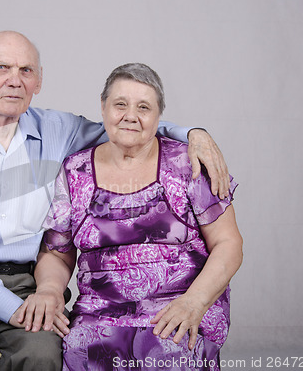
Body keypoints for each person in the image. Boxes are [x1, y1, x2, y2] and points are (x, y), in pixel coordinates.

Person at [0, 30, 231, 371]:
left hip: (27, 284)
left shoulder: (59, 130)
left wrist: (193, 133)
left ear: (38, 81)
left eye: (26, 71)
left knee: (42, 357)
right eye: (2, 68)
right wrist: (7, 306)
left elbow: (129, 124)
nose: (14, 81)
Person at [21, 63, 243, 370]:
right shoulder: (74, 171)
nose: (131, 116)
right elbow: (57, 253)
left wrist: (195, 303)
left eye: (144, 107)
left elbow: (229, 244)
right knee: (79, 352)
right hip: (100, 312)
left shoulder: (188, 165)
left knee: (168, 355)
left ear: (158, 115)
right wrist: (48, 289)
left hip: (179, 305)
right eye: (120, 105)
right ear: (103, 108)